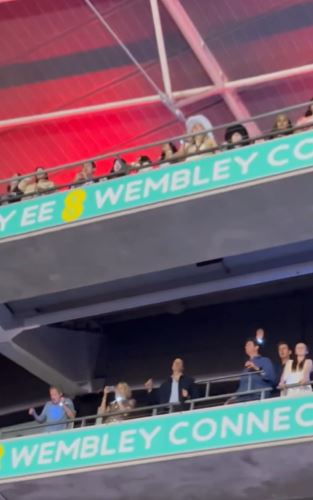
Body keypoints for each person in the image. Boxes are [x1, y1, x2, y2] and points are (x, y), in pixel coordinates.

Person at [230, 339, 276, 403]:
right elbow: (242, 387)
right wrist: (232, 398)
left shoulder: (265, 361)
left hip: (258, 397)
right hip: (242, 400)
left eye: (248, 345)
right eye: (245, 345)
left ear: (256, 347)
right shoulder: (245, 369)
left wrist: (256, 368)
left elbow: (271, 378)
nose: (246, 347)